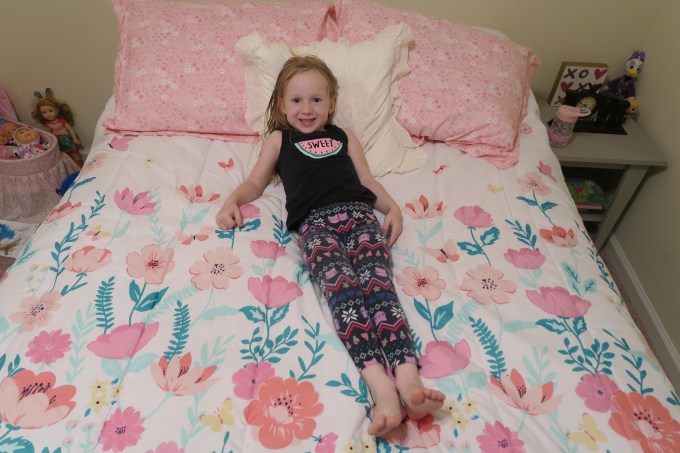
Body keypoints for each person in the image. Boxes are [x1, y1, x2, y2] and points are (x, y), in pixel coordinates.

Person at [216, 55, 444, 438]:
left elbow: (367, 180)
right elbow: (255, 183)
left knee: (379, 289)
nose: (307, 109)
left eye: (316, 100)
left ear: (332, 102)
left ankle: (409, 381)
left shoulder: (343, 136)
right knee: (345, 297)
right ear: (281, 104)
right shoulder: (280, 140)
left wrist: (392, 209)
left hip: (360, 217)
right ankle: (383, 391)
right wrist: (231, 200)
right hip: (315, 226)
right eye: (296, 100)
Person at [31, 95, 83, 166]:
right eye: (44, 112)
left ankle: (80, 165)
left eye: (50, 111)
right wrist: (50, 143)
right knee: (64, 154)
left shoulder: (61, 121)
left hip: (66, 139)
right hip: (57, 141)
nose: (48, 114)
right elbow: (49, 134)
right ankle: (71, 166)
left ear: (57, 110)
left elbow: (70, 129)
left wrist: (74, 138)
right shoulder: (47, 124)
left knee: (73, 152)